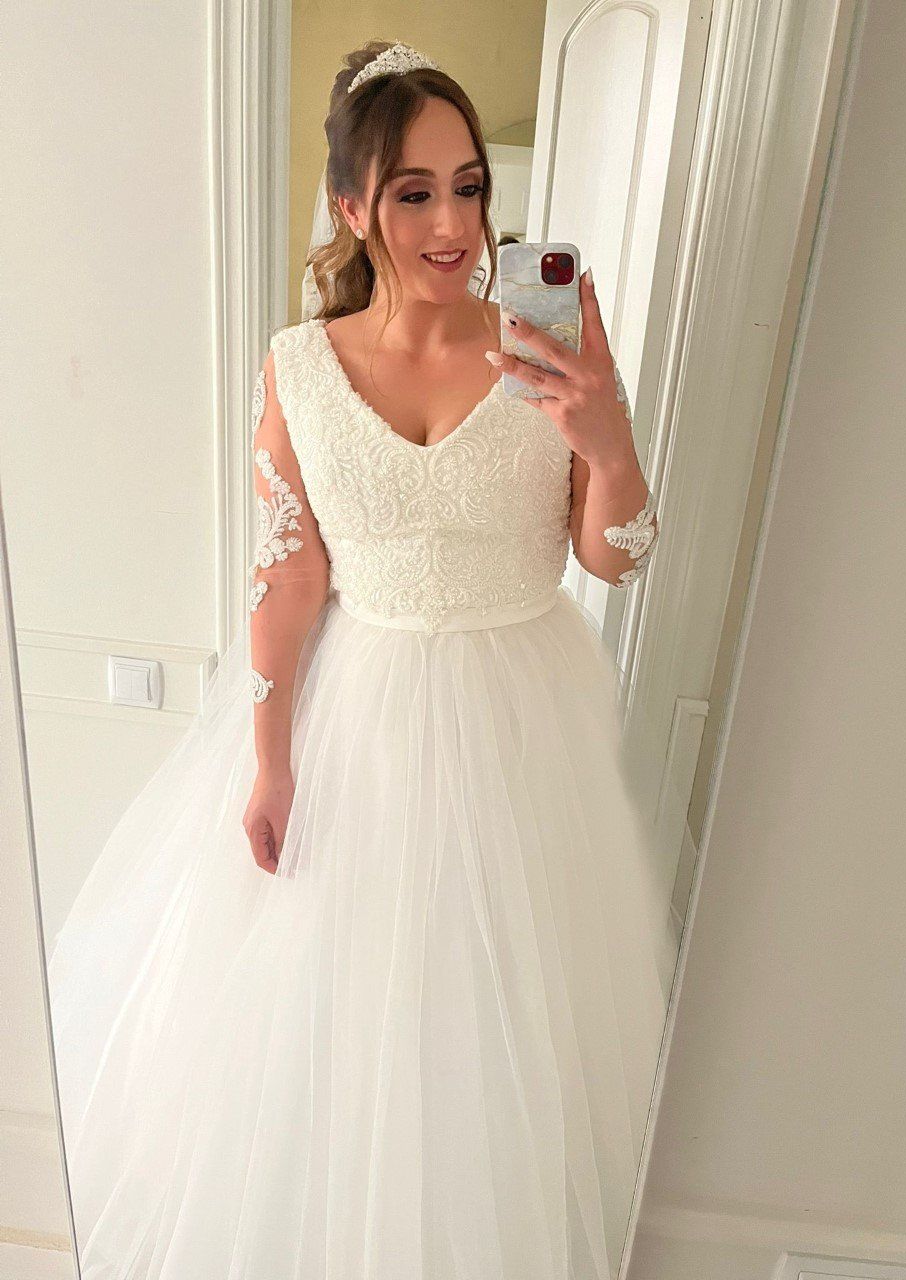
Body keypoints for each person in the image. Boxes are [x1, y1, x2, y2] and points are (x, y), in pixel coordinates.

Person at [47, 39, 666, 1280]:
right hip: (359, 719)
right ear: (351, 205)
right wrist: (269, 759)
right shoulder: (299, 368)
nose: (454, 223)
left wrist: (607, 439)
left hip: (521, 721)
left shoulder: (546, 346)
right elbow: (288, 576)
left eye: (469, 186)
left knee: (498, 1017)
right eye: (414, 191)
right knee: (341, 1020)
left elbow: (615, 558)